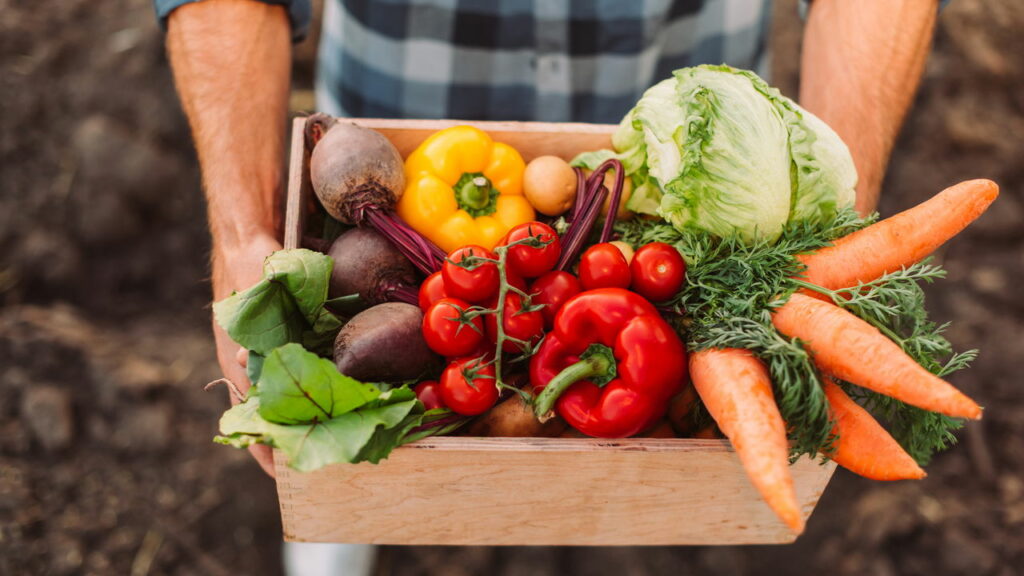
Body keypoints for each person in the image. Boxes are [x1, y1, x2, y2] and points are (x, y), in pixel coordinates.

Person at [155, 0, 943, 573]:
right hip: (393, 135)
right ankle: (340, 532)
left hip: (694, 164)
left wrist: (839, 208)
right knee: (359, 438)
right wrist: (240, 235)